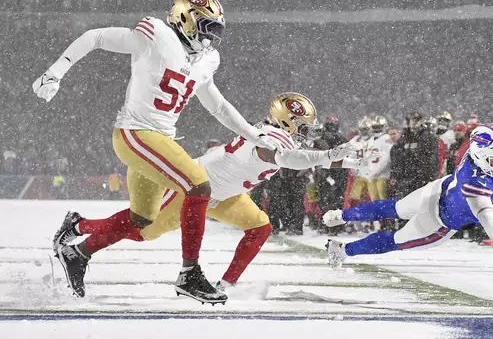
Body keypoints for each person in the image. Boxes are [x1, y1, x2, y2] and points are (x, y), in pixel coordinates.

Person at [34, 0, 281, 302]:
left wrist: (252, 134)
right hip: (135, 132)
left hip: (159, 139)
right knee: (199, 187)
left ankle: (77, 250)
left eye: (213, 30)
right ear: (184, 19)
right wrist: (55, 72)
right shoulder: (155, 35)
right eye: (204, 27)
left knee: (141, 222)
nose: (209, 38)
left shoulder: (205, 60)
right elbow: (95, 37)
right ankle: (189, 273)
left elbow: (218, 106)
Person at [54, 93, 370, 301]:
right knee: (144, 232)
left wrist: (342, 159)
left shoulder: (278, 134)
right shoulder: (271, 137)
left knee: (260, 227)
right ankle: (81, 231)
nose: (306, 130)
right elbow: (289, 159)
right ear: (286, 119)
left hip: (227, 194)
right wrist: (331, 155)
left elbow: (297, 155)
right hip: (196, 188)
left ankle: (225, 285)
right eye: (302, 124)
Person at [322, 123, 493, 268]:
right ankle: (343, 243)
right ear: (483, 156)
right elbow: (485, 213)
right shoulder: (475, 182)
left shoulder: (484, 154)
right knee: (394, 232)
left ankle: (341, 226)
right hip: (438, 220)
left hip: (439, 195)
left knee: (395, 211)